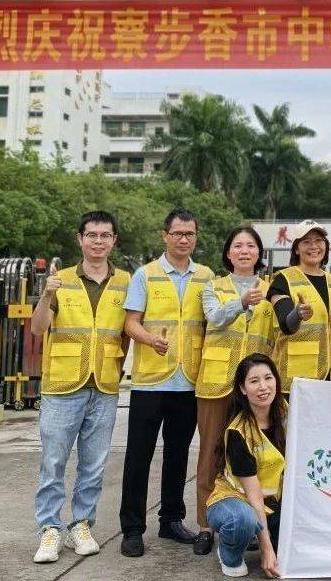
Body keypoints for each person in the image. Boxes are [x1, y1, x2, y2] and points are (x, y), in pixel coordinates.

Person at [31, 211, 130, 563]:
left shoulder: (125, 282)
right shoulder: (62, 280)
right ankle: (49, 529)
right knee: (54, 460)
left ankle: (81, 524)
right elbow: (37, 329)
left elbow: (127, 330)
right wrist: (45, 295)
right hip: (62, 385)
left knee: (94, 464)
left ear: (114, 240)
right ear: (80, 239)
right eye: (92, 235)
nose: (98, 241)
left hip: (103, 385)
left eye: (105, 235)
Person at [119, 208, 214, 558]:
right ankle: (132, 528)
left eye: (189, 233)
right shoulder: (146, 275)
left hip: (189, 381)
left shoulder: (206, 276)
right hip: (150, 382)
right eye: (177, 233)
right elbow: (131, 323)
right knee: (138, 457)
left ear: (196, 236)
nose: (183, 239)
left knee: (177, 455)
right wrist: (148, 339)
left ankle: (171, 520)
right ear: (165, 236)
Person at [193, 227, 275, 556]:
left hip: (254, 389)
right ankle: (204, 525)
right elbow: (215, 318)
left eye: (251, 246)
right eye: (237, 245)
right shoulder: (213, 287)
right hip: (216, 383)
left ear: (259, 253)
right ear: (228, 253)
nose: (244, 251)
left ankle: (252, 522)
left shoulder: (272, 291)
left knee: (251, 457)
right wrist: (241, 302)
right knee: (211, 454)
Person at [206, 353, 285, 579]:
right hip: (234, 501)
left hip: (272, 503)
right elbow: (254, 495)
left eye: (268, 378)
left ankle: (254, 534)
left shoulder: (287, 414)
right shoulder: (238, 432)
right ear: (242, 388)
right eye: (254, 381)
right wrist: (266, 549)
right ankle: (229, 552)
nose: (263, 387)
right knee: (243, 520)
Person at [266, 219, 331, 391]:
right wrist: (297, 314)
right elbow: (286, 325)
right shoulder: (283, 279)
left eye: (319, 241)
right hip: (295, 377)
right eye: (306, 242)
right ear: (297, 249)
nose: (314, 246)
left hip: (329, 373)